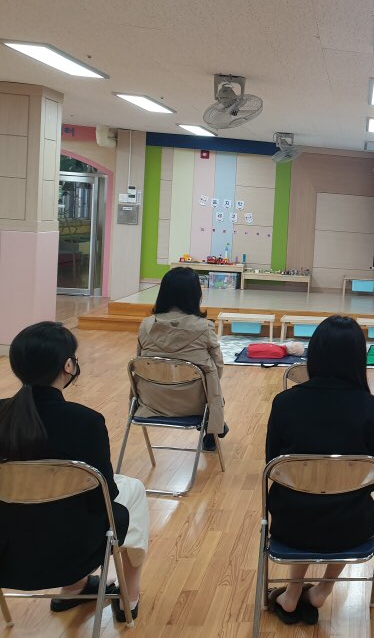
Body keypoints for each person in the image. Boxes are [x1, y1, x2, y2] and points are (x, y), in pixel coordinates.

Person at [0, 322, 149, 622]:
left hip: (8, 550)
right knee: (132, 490)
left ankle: (74, 588)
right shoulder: (85, 422)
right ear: (68, 365)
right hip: (75, 549)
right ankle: (128, 596)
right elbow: (104, 498)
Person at [265, 316, 374, 625]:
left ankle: (291, 594)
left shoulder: (284, 403)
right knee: (346, 504)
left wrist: (316, 484)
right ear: (358, 359)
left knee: (301, 496)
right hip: (351, 526)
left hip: (290, 523)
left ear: (314, 354)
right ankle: (322, 590)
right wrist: (345, 485)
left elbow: (273, 464)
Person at [136, 266, 227, 451]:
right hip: (194, 405)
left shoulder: (146, 326)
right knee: (212, 386)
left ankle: (213, 425)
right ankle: (212, 427)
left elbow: (139, 364)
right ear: (195, 294)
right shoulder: (204, 328)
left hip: (151, 402)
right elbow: (218, 367)